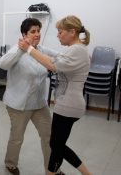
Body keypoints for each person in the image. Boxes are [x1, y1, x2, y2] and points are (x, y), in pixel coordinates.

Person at [18, 15, 93, 175]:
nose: (58, 35)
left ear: (72, 32)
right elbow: (56, 58)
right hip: (67, 104)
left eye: (60, 32)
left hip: (69, 105)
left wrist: (29, 49)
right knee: (57, 144)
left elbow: (52, 65)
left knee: (56, 145)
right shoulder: (75, 50)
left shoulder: (77, 50)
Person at [0, 18, 61, 175]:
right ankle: (10, 163)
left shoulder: (42, 50)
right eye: (33, 31)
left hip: (39, 103)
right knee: (17, 137)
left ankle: (52, 168)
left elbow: (61, 57)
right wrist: (22, 49)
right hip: (18, 104)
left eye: (38, 31)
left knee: (49, 137)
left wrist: (79, 55)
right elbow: (2, 64)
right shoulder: (16, 50)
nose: (37, 34)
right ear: (24, 34)